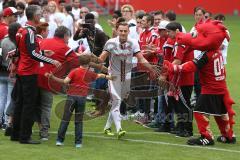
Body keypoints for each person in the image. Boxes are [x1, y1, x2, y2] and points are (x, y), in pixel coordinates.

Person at [11, 5, 61, 144]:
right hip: (29, 72)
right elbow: (32, 54)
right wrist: (52, 60)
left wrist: (44, 53)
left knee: (20, 103)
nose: (41, 16)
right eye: (40, 14)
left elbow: (21, 52)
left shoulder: (21, 30)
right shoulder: (31, 32)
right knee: (29, 104)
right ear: (35, 16)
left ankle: (16, 134)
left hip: (22, 71)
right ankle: (25, 136)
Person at [99, 22, 158, 138]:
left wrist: (151, 68)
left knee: (118, 102)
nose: (123, 33)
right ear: (116, 31)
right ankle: (119, 129)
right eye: (121, 31)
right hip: (114, 76)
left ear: (128, 31)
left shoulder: (134, 42)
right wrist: (89, 61)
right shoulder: (111, 43)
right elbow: (101, 58)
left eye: (125, 31)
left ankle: (107, 127)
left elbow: (141, 59)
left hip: (127, 76)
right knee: (116, 101)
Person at [45, 62, 115, 148]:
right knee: (78, 121)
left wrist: (52, 77)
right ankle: (78, 143)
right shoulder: (89, 73)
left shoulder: (74, 71)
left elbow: (65, 81)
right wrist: (111, 77)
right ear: (88, 65)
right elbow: (100, 75)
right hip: (82, 98)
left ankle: (59, 141)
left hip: (71, 97)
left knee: (65, 119)